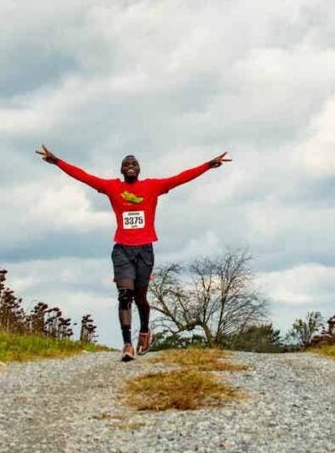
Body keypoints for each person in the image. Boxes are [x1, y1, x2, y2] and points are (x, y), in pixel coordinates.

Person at [35, 145, 231, 361]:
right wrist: (57, 161)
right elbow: (84, 176)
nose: (130, 166)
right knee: (124, 296)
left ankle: (145, 331)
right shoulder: (111, 187)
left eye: (134, 164)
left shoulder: (152, 187)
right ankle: (127, 344)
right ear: (121, 170)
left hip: (145, 249)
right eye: (126, 164)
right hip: (122, 250)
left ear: (139, 169)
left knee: (140, 298)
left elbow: (181, 178)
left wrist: (208, 165)